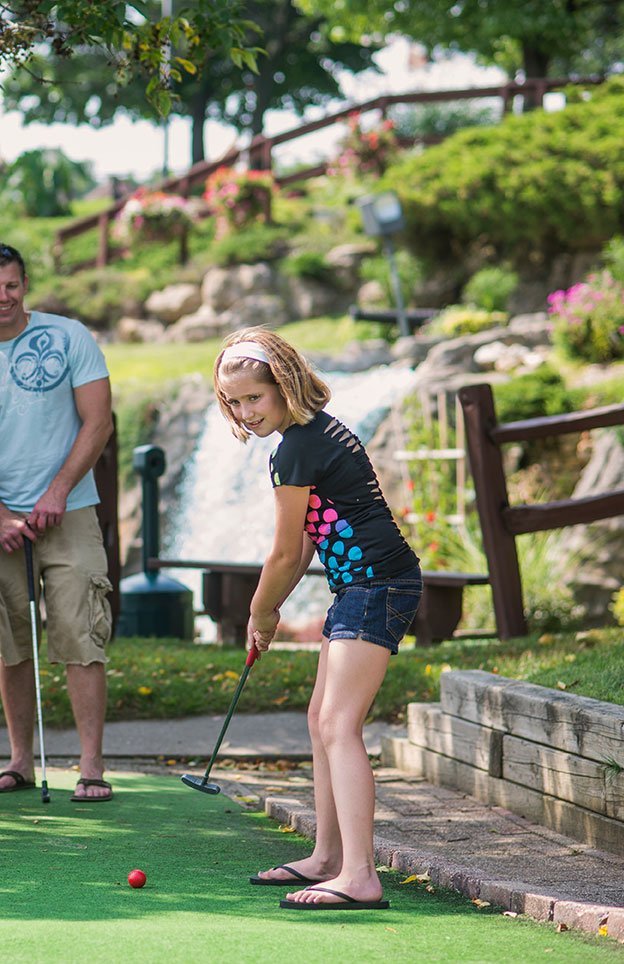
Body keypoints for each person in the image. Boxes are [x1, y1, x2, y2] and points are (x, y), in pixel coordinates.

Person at [212, 327, 422, 910]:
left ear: (284, 385)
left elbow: (282, 553)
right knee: (320, 719)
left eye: (254, 397)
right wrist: (270, 613)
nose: (245, 412)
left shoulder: (297, 447)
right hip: (361, 585)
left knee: (338, 724)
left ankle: (360, 875)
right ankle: (327, 857)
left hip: (377, 585)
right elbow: (308, 538)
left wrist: (259, 609)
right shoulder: (310, 435)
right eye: (233, 401)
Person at [0, 242, 116, 802]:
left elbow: (99, 422)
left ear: (25, 285)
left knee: (81, 635)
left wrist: (57, 492)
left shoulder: (69, 337)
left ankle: (90, 767)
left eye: (12, 285)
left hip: (70, 515)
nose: (4, 296)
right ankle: (20, 761)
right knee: (11, 643)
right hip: (0, 525)